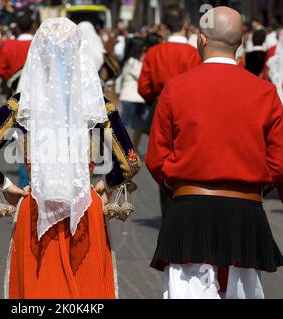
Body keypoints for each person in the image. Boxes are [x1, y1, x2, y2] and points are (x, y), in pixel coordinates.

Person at [0, 18, 141, 299]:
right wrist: (105, 185)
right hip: (85, 211)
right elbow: (130, 162)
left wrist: (8, 188)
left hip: (36, 209)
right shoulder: (98, 106)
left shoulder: (21, 106)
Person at [146, 6, 283, 299]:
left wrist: (180, 184)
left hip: (189, 210)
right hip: (245, 212)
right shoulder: (265, 92)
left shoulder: (175, 89)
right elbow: (279, 162)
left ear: (202, 39)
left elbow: (157, 158)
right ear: (240, 42)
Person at [138, 7, 201, 218]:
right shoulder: (194, 53)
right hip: (190, 110)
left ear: (165, 27)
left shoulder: (154, 52)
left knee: (162, 160)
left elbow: (144, 87)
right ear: (185, 25)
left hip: (160, 106)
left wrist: (153, 102)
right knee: (191, 159)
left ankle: (169, 213)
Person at [118, 38, 148, 148]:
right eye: (143, 50)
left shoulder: (135, 61)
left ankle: (134, 148)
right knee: (124, 125)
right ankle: (121, 149)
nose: (144, 52)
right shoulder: (131, 61)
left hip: (139, 98)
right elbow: (141, 75)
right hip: (129, 98)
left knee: (139, 126)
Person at [0, 14, 35, 98]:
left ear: (17, 27)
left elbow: (1, 71)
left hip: (14, 93)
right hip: (36, 93)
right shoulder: (41, 45)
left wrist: (12, 79)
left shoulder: (8, 45)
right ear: (33, 26)